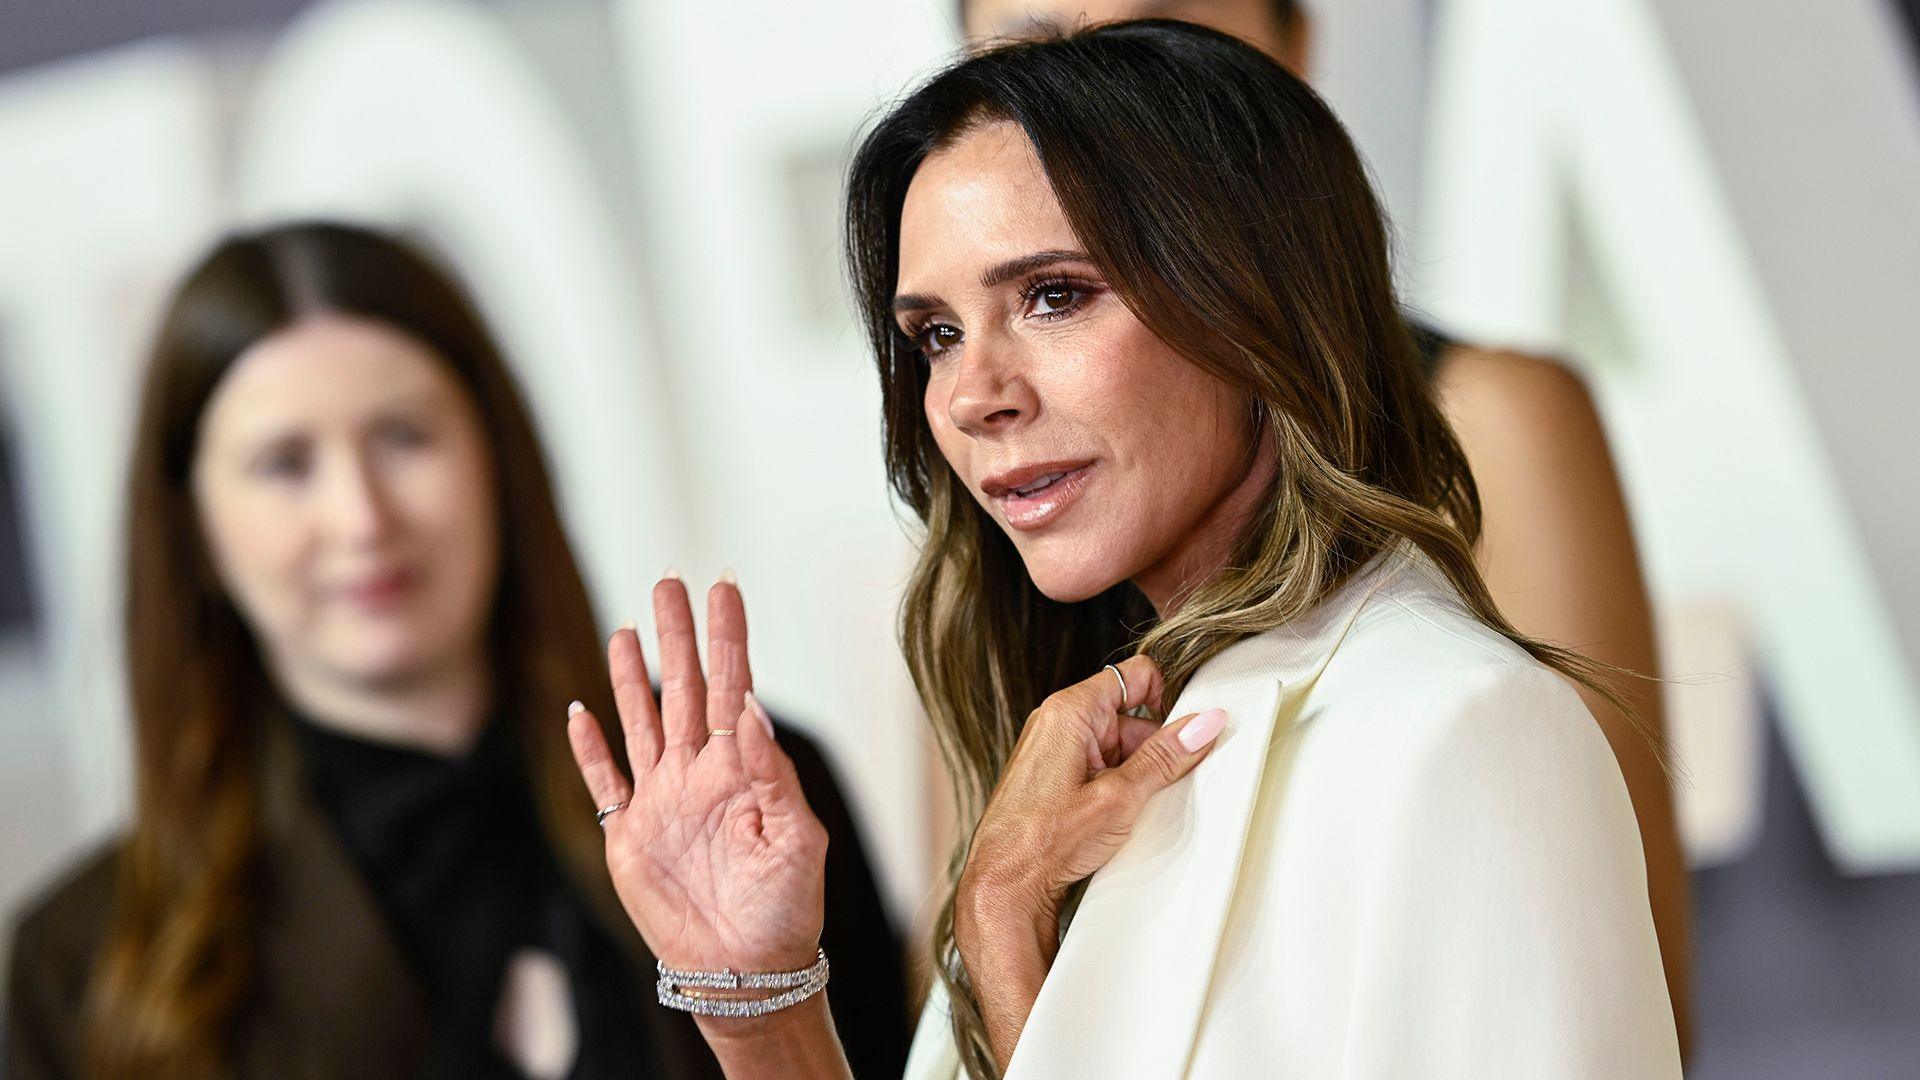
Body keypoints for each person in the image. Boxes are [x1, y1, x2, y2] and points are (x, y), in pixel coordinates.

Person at [566, 22, 1680, 1080]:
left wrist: (1003, 935)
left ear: (1257, 303)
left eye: (1054, 297)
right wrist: (762, 1007)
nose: (972, 395)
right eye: (936, 336)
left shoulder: (1461, 733)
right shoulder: (1064, 758)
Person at [3, 222, 909, 1080]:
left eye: (404, 436)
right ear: (193, 527)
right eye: (285, 463)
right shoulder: (83, 958)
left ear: (495, 459)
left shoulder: (751, 799)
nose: (361, 517)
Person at [955, 0, 1692, 1048]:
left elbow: (1612, 976)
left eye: (1154, 39)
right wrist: (768, 998)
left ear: (1291, 54)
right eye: (932, 332)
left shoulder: (1459, 688)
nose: (1095, 94)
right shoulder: (1012, 541)